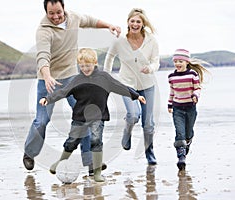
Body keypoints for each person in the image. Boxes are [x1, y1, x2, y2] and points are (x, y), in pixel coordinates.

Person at [23, 0, 121, 172]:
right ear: (46, 12)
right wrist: (47, 77)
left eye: (58, 12)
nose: (55, 16)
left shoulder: (73, 18)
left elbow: (90, 21)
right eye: (51, 13)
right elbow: (43, 57)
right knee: (42, 120)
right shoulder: (43, 31)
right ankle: (29, 153)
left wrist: (109, 26)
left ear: (63, 8)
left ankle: (90, 162)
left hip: (71, 77)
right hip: (49, 79)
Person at [39, 48, 146, 182]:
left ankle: (96, 172)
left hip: (98, 116)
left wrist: (136, 96)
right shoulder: (77, 80)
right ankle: (60, 162)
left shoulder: (104, 77)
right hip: (80, 117)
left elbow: (120, 87)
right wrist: (48, 99)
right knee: (72, 142)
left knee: (96, 141)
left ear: (95, 62)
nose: (85, 68)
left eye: (88, 65)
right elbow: (63, 92)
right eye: (82, 66)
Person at [103, 8, 160, 165]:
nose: (135, 24)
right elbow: (109, 58)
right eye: (132, 21)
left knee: (148, 124)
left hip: (147, 85)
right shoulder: (120, 41)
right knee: (133, 115)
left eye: (138, 21)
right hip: (127, 84)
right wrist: (106, 76)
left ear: (143, 24)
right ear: (128, 22)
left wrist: (150, 68)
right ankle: (127, 132)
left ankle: (150, 153)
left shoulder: (151, 40)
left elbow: (156, 60)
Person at [168, 49, 209, 170]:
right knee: (180, 132)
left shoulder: (192, 75)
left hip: (191, 108)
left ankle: (188, 142)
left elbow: (197, 88)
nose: (177, 63)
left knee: (188, 132)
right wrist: (170, 105)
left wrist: (196, 96)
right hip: (177, 108)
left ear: (186, 62)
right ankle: (181, 157)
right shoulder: (171, 77)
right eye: (175, 61)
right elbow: (172, 92)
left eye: (180, 61)